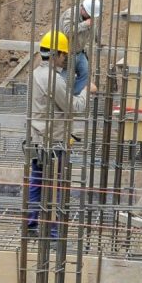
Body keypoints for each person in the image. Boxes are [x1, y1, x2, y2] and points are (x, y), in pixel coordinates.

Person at [29, 30, 91, 237]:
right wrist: (86, 92)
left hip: (37, 139)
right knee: (56, 186)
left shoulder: (35, 74)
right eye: (64, 55)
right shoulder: (53, 79)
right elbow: (72, 107)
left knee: (37, 181)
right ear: (55, 54)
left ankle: (31, 224)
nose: (65, 59)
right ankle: (53, 234)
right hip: (54, 142)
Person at [58, 0, 103, 96]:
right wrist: (84, 25)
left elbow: (94, 29)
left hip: (79, 52)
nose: (90, 17)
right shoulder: (71, 14)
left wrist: (98, 40)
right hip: (66, 53)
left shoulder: (89, 17)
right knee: (65, 79)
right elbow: (67, 31)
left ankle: (73, 98)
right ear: (83, 8)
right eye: (89, 14)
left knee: (85, 73)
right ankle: (62, 99)